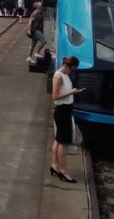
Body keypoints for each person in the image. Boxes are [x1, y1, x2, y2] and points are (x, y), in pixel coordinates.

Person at [50, 55, 84, 183]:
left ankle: (54, 165)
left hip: (65, 111)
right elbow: (55, 96)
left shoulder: (64, 75)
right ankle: (64, 172)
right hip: (62, 112)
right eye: (73, 68)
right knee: (63, 142)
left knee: (58, 140)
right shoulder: (59, 76)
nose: (73, 71)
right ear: (67, 66)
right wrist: (72, 92)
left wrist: (73, 91)